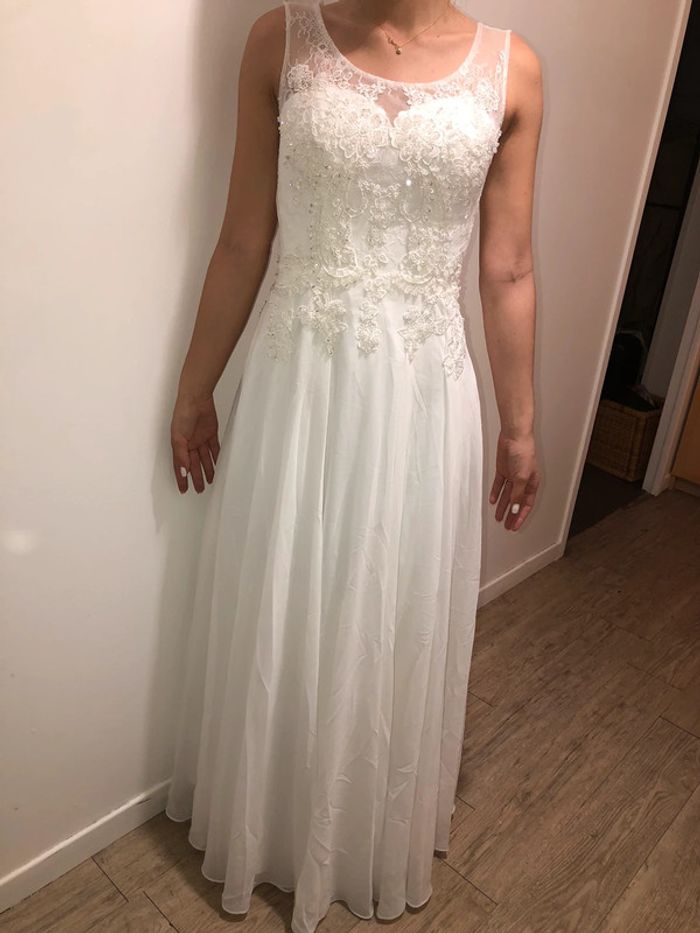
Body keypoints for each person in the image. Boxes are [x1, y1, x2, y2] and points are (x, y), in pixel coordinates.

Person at [165, 2, 542, 931]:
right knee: (285, 590)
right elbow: (244, 237)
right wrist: (194, 386)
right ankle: (268, 817)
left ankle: (366, 825)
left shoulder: (514, 70)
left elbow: (507, 269)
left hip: (427, 395)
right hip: (300, 378)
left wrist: (521, 426)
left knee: (395, 602)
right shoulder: (280, 37)